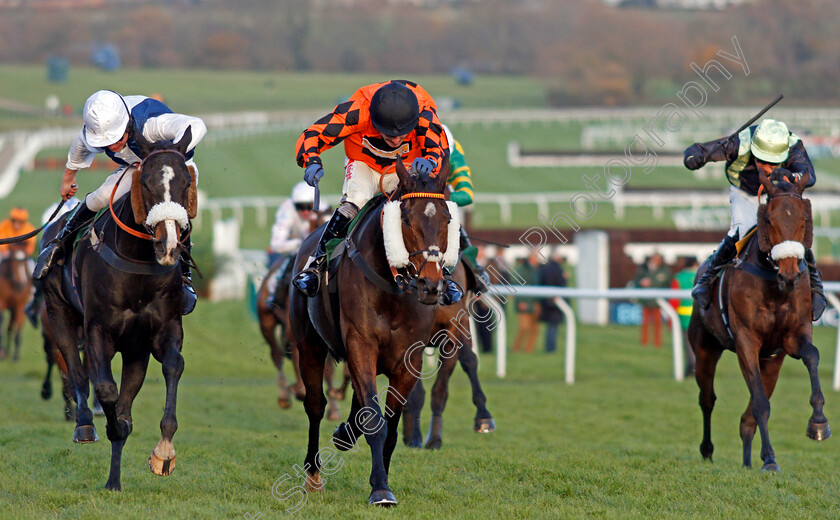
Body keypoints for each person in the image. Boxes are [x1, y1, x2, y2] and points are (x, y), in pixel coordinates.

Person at [32, 90, 207, 315]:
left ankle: (184, 275)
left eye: (116, 139)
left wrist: (171, 153)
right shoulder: (94, 130)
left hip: (172, 167)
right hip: (138, 165)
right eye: (106, 142)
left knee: (176, 209)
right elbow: (78, 149)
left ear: (127, 124)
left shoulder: (152, 124)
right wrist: (68, 179)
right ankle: (59, 243)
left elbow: (197, 125)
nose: (112, 146)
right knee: (102, 197)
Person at [292, 79, 461, 304]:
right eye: (389, 135)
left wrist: (430, 160)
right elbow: (312, 135)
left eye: (402, 135)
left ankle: (443, 272)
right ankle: (316, 264)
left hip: (405, 166)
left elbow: (440, 149)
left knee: (425, 206)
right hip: (363, 163)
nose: (396, 139)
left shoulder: (424, 112)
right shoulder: (357, 110)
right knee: (355, 201)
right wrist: (311, 160)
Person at [683, 118, 825, 320]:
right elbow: (709, 150)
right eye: (761, 160)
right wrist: (694, 155)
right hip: (745, 193)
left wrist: (791, 176)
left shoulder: (793, 145)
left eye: (773, 162)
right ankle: (706, 280)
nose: (767, 166)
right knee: (742, 230)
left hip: (778, 193)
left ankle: (816, 286)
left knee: (792, 231)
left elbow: (808, 175)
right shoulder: (742, 141)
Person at [440, 124, 489, 292]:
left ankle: (474, 267)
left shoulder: (451, 146)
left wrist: (440, 199)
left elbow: (467, 194)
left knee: (449, 216)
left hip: (437, 205)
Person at [264, 181, 324, 308]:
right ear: (294, 205)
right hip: (294, 251)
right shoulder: (286, 212)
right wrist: (300, 244)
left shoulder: (323, 208)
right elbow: (276, 244)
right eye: (301, 207)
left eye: (309, 206)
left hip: (318, 250)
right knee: (273, 281)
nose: (306, 211)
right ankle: (275, 300)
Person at [631, 253, 671, 348]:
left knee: (658, 324)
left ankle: (657, 343)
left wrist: (651, 282)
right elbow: (636, 280)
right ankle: (644, 342)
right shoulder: (644, 269)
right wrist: (641, 282)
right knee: (645, 323)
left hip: (658, 301)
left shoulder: (664, 271)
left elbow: (666, 283)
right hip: (646, 300)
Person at [672, 256, 699, 376]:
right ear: (695, 264)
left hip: (684, 320)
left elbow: (674, 301)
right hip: (703, 318)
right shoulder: (704, 275)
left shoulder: (678, 278)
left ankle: (693, 369)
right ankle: (692, 369)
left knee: (689, 347)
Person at [538, 250, 567, 353]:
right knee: (552, 327)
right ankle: (551, 349)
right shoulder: (557, 269)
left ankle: (550, 349)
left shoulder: (546, 268)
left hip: (548, 302)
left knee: (551, 327)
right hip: (554, 302)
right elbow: (559, 284)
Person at [512, 253, 541, 354]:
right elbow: (516, 285)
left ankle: (528, 350)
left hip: (535, 303)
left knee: (534, 329)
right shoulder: (522, 270)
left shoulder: (536, 270)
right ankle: (515, 348)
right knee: (524, 327)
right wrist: (521, 301)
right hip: (524, 303)